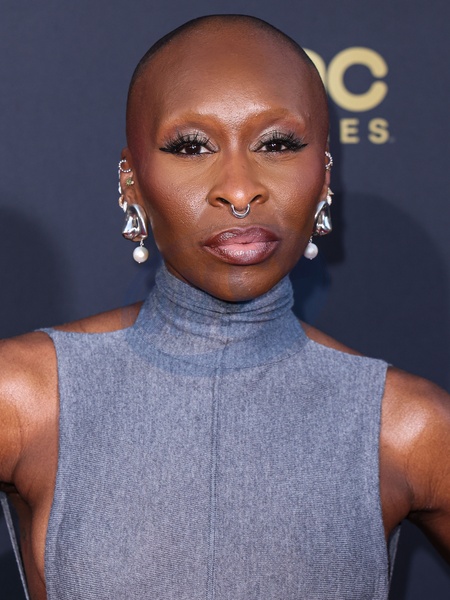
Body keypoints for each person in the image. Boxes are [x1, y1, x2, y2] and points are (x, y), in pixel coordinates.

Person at [0, 14, 449, 600]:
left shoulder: (407, 426)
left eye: (277, 144)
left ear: (324, 175)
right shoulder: (24, 397)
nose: (239, 191)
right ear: (131, 182)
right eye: (191, 147)